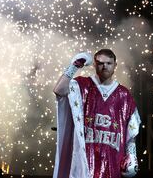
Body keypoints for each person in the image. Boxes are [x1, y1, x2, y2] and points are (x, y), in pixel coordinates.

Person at [52, 49, 141, 178]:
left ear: (115, 65)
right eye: (100, 63)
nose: (104, 66)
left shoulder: (124, 95)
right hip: (84, 166)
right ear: (94, 64)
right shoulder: (82, 85)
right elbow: (59, 90)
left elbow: (131, 133)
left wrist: (132, 156)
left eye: (109, 63)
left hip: (113, 166)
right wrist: (75, 65)